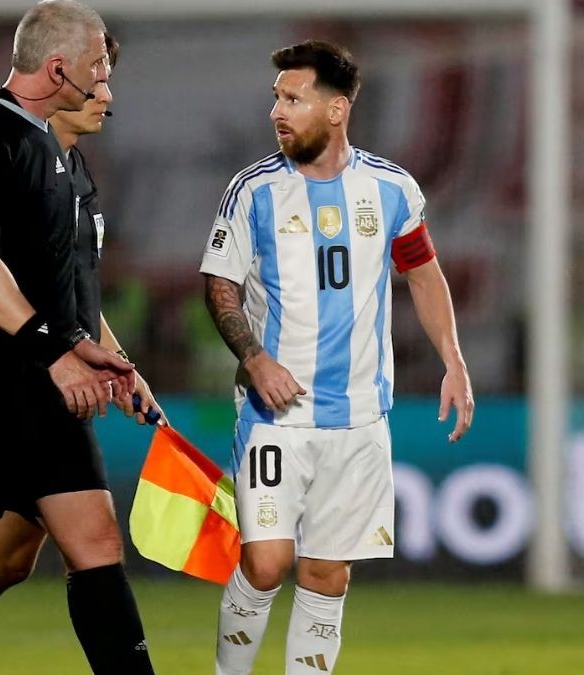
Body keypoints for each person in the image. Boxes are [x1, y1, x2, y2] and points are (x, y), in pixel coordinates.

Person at [201, 40, 474, 674]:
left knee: (326, 574)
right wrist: (254, 360)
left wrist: (452, 360)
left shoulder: (391, 189)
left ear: (336, 109)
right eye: (277, 98)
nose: (278, 111)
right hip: (278, 414)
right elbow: (219, 284)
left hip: (358, 419)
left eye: (293, 99)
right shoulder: (253, 190)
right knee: (265, 563)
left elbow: (425, 275)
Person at [0, 3, 156, 674]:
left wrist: (117, 363)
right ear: (59, 68)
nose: (107, 83)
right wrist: (57, 352)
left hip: (46, 382)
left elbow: (67, 293)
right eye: (99, 65)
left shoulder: (65, 164)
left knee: (88, 538)